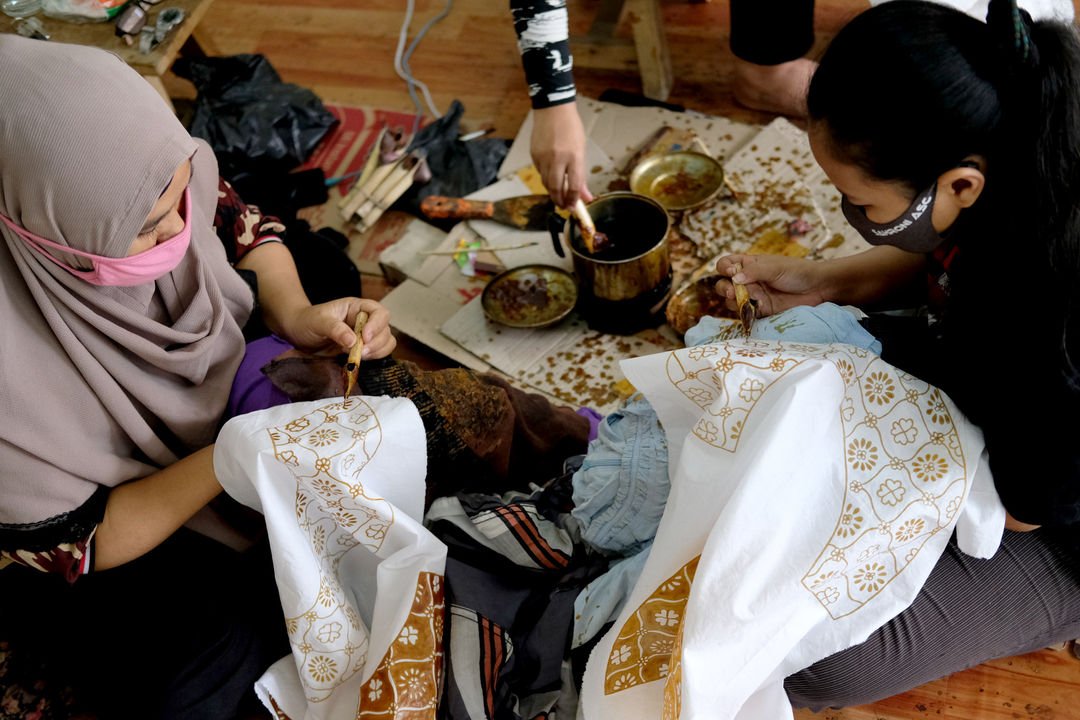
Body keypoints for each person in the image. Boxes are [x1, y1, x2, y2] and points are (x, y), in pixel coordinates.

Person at [0, 35, 395, 719]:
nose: (178, 233)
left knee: (327, 278)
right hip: (109, 518)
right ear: (41, 226)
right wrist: (229, 457)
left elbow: (233, 217)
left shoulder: (148, 181)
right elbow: (74, 544)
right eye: (148, 228)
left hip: (196, 406)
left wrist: (299, 314)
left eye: (181, 196)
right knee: (207, 666)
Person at [712, 0, 1080, 706]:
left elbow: (1021, 507)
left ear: (961, 183)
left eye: (862, 205)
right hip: (1005, 396)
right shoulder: (1016, 152)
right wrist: (822, 284)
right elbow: (947, 254)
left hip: (1057, 523)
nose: (853, 219)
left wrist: (834, 483)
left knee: (810, 656)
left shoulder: (1054, 324)